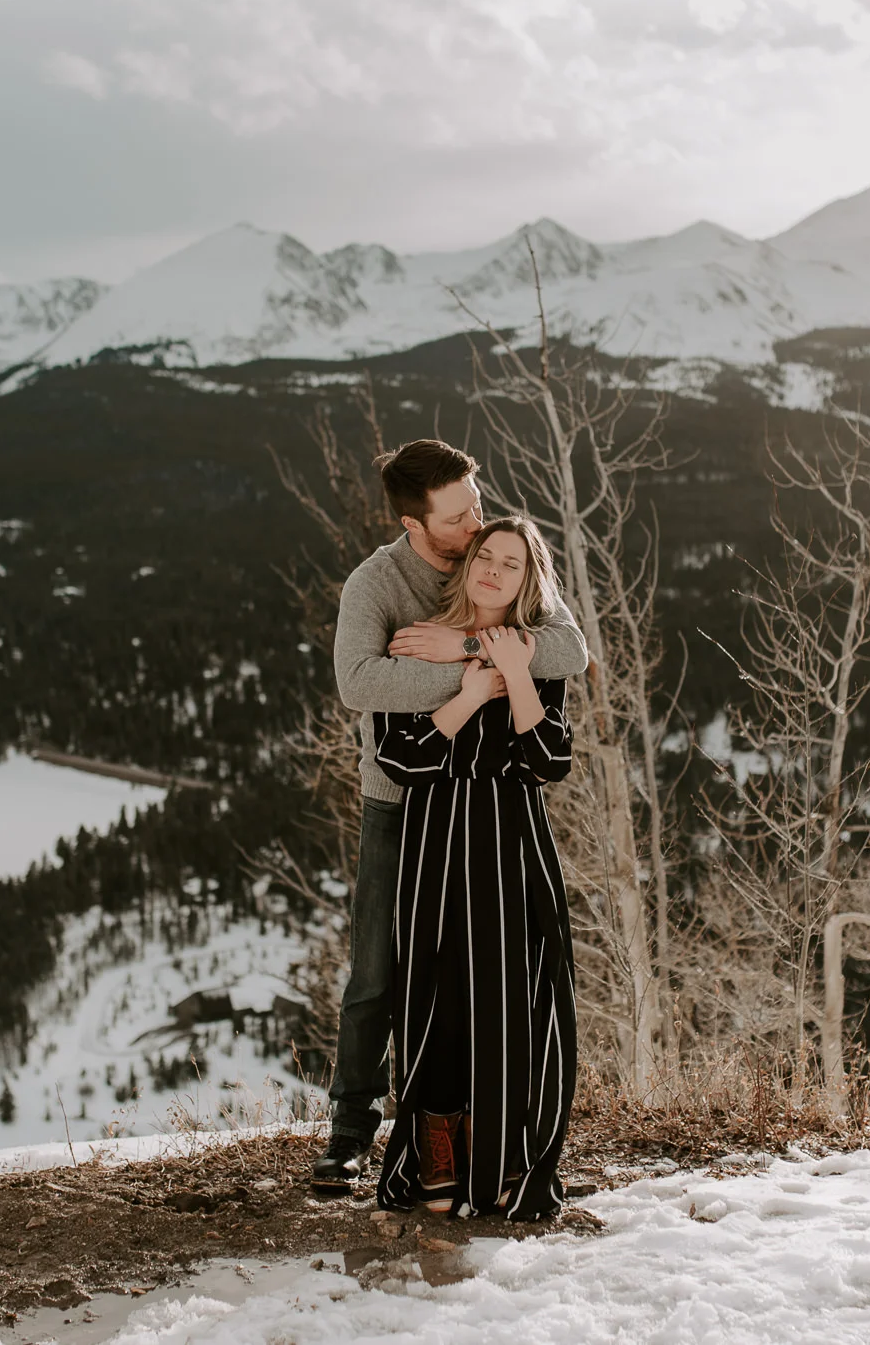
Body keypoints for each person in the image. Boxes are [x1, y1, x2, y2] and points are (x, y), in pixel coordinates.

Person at [312, 441, 587, 1194]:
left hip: (490, 811)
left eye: (475, 499)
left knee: (472, 979)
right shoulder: (377, 583)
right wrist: (467, 675)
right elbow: (359, 680)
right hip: (401, 799)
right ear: (414, 520)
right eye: (459, 513)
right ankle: (349, 1129)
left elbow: (569, 647)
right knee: (378, 969)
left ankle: (464, 1135)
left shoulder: (501, 558)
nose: (476, 519)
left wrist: (470, 642)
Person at [370, 515, 578, 1219]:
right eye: (484, 555)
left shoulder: (540, 652)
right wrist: (465, 690)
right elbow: (401, 757)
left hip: (512, 841)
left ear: (529, 578)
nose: (493, 569)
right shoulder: (421, 639)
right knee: (435, 1000)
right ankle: (437, 1149)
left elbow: (547, 761)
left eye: (511, 563)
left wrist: (515, 674)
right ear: (467, 565)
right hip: (434, 844)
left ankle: (498, 1159)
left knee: (509, 1002)